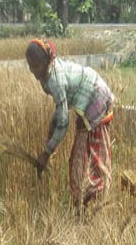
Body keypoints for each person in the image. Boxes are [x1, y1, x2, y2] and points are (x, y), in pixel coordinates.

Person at [26, 39, 116, 210]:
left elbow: (63, 123)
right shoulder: (48, 72)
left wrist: (47, 152)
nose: (32, 71)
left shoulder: (54, 80)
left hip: (97, 102)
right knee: (80, 158)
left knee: (91, 158)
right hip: (89, 103)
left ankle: (97, 202)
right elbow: (62, 106)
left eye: (35, 66)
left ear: (46, 62)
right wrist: (53, 122)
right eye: (30, 65)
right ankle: (85, 204)